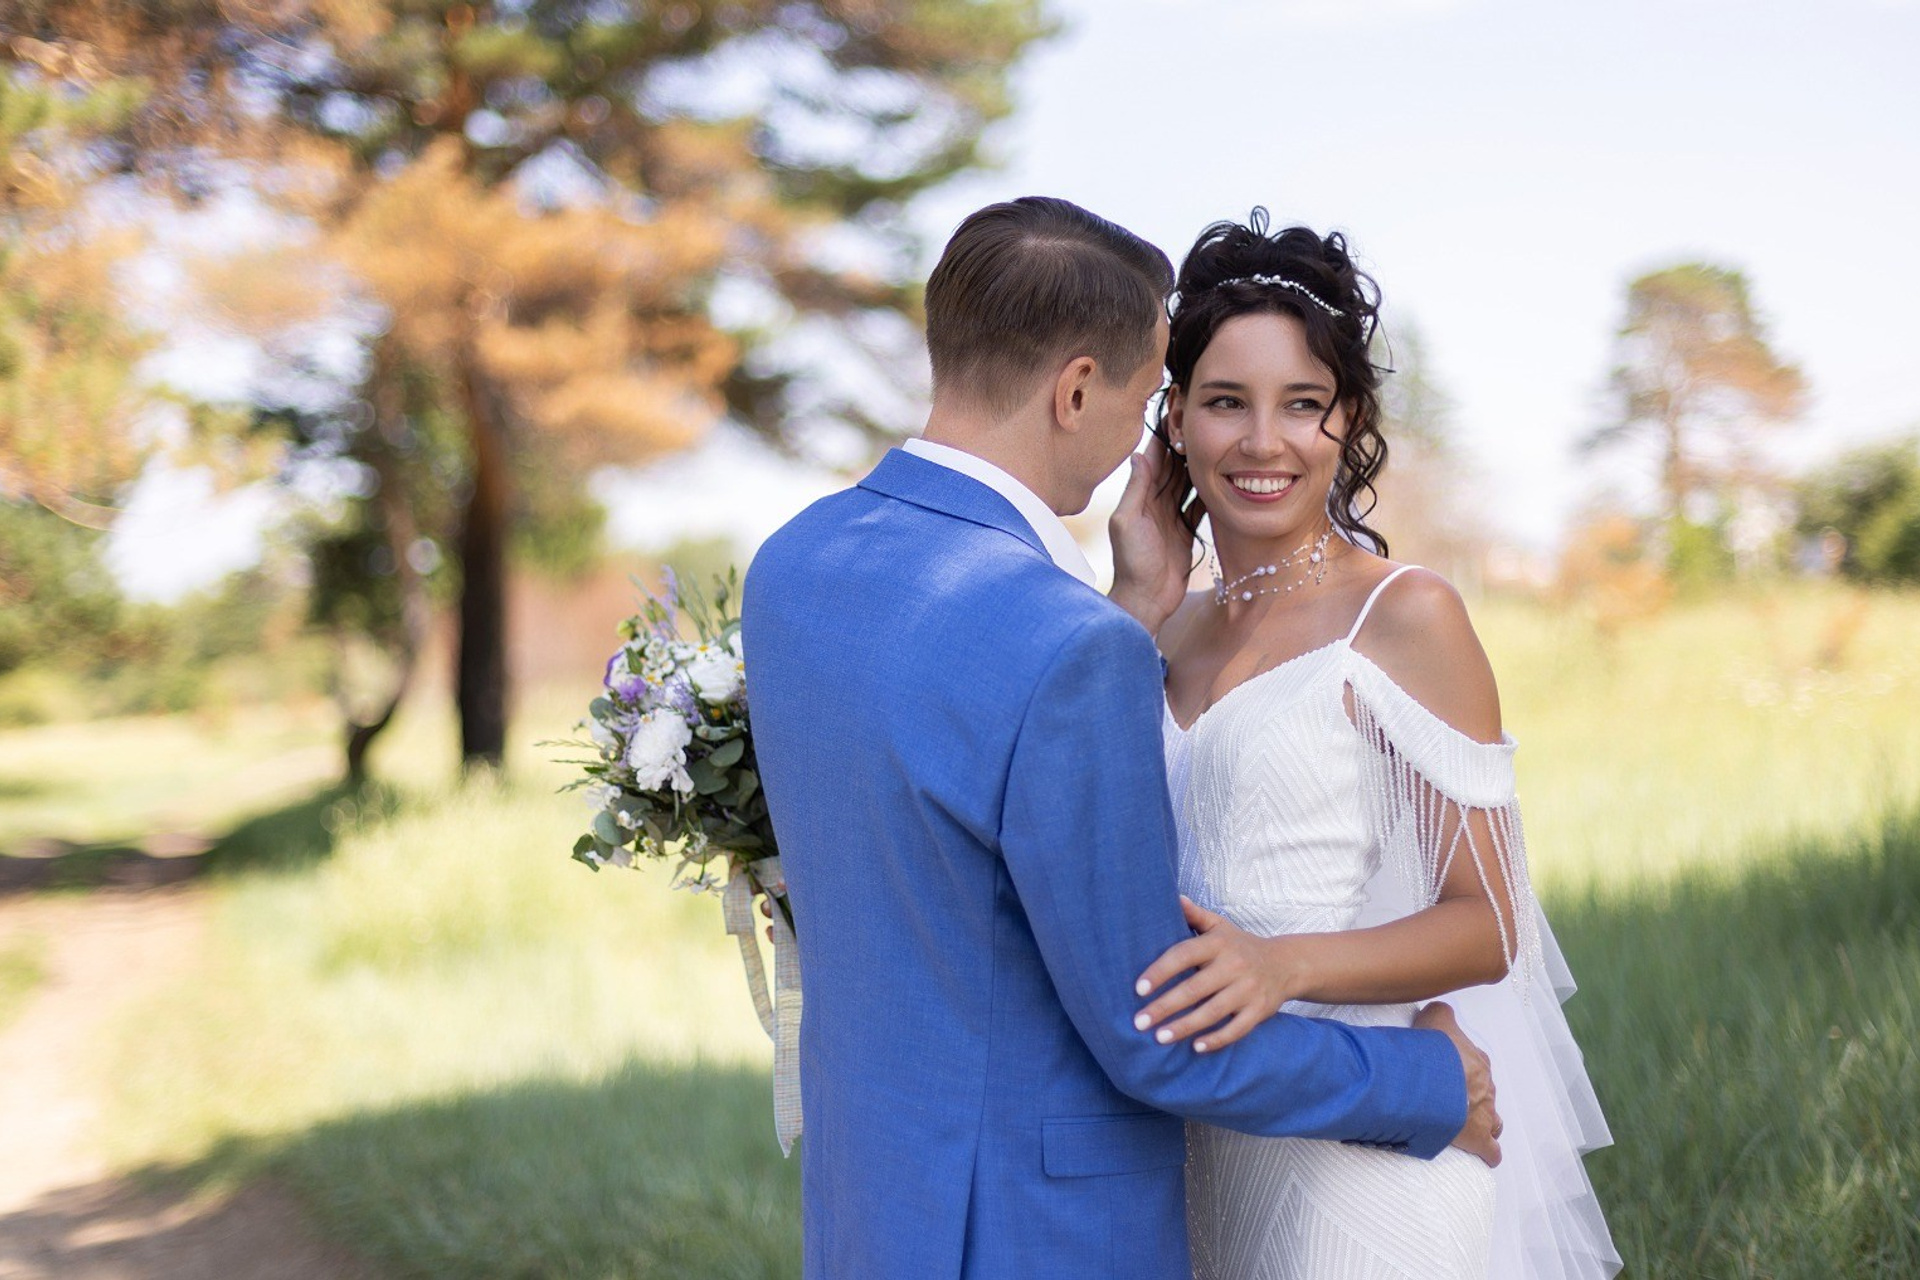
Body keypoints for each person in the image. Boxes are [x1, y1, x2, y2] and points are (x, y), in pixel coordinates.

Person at [742, 196, 1499, 1280]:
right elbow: (1149, 1029)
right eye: (1157, 397)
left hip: (875, 1208)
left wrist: (1127, 607)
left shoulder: (795, 566)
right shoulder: (1063, 644)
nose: (1150, 437)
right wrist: (1427, 1080)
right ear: (1078, 390)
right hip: (1028, 1232)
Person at [1119, 211, 1619, 1278]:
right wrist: (1131, 593)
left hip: (1368, 1138)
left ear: (1349, 420)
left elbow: (1490, 925)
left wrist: (1280, 963)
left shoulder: (1404, 614)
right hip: (1198, 1141)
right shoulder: (1155, 627)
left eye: (1304, 404)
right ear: (1173, 424)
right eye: (1224, 402)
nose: (1265, 441)